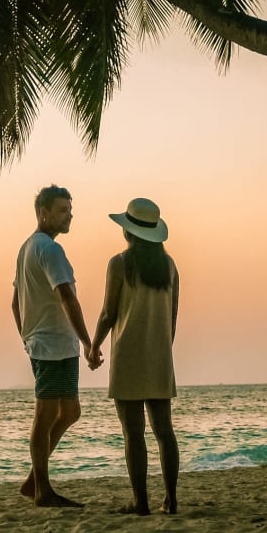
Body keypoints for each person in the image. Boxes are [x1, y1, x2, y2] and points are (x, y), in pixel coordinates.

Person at [89, 197, 180, 516]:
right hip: (159, 356)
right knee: (164, 431)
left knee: (133, 433)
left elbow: (108, 313)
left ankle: (141, 502)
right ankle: (170, 499)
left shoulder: (119, 263)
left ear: (128, 232)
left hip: (127, 354)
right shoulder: (169, 266)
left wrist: (94, 346)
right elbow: (172, 317)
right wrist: (163, 349)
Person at [12, 185, 96, 508]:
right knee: (45, 416)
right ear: (44, 213)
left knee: (70, 411)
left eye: (70, 209)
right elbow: (66, 297)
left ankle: (34, 480)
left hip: (54, 344)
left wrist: (26, 335)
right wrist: (88, 341)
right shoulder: (48, 249)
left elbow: (14, 303)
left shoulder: (27, 248)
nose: (69, 215)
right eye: (63, 210)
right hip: (52, 345)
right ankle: (42, 490)